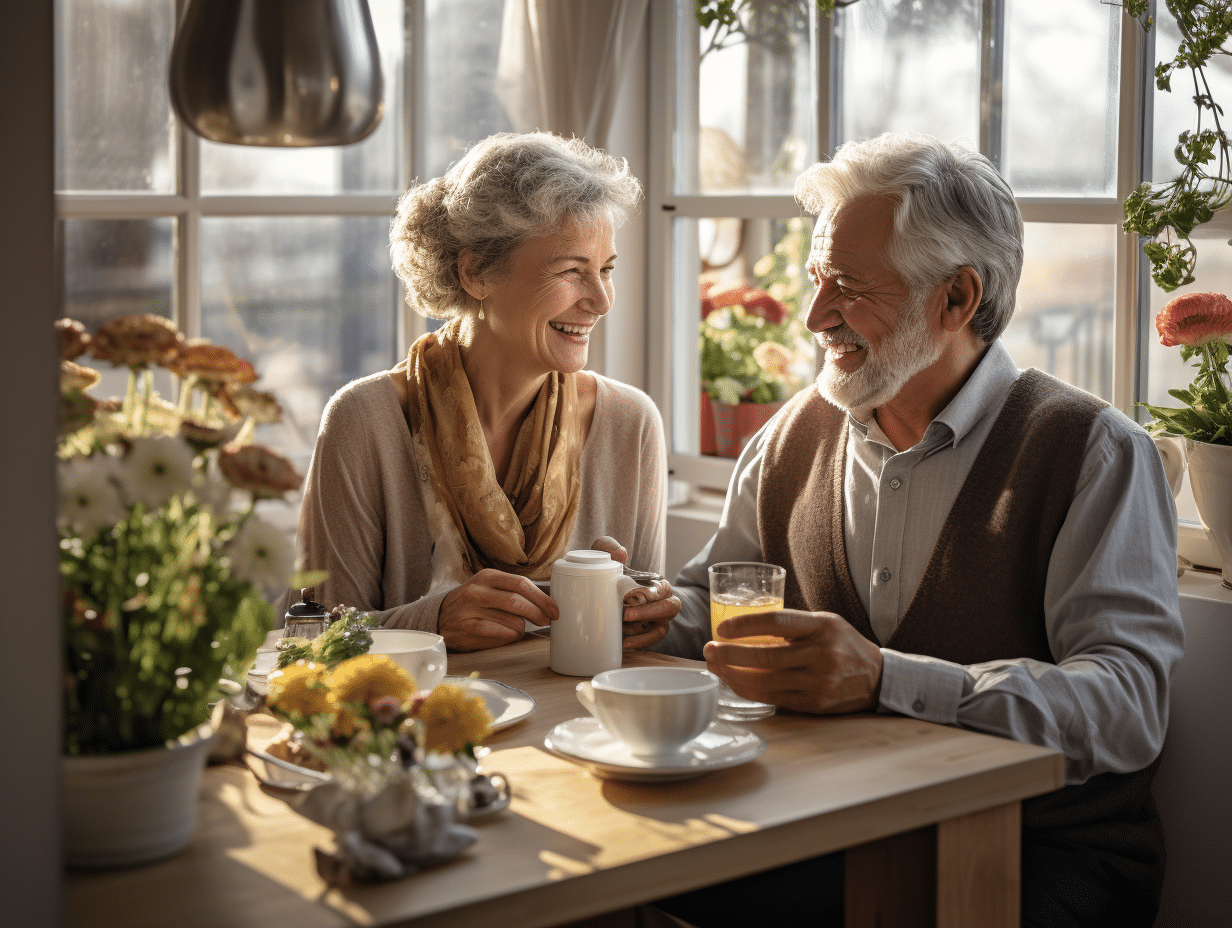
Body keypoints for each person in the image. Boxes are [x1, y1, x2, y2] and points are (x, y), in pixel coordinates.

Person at [653, 132, 1184, 928]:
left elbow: (1127, 705)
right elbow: (716, 600)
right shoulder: (791, 435)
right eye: (813, 280)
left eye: (849, 286)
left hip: (1038, 852)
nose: (812, 316)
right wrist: (644, 608)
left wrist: (886, 679)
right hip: (830, 823)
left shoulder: (1092, 452)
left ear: (957, 298)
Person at [295, 131, 680, 652]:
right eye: (571, 270)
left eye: (606, 271)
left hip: (580, 727)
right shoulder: (364, 421)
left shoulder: (630, 422)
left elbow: (642, 646)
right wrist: (433, 621)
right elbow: (314, 639)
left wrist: (641, 609)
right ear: (476, 271)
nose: (601, 300)